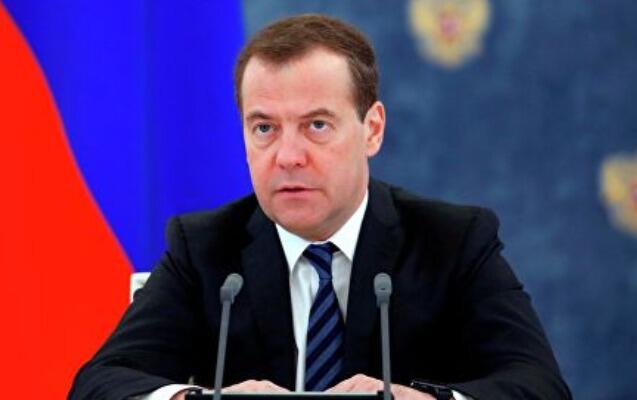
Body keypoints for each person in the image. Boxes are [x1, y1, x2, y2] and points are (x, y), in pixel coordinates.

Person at [69, 14, 572, 400]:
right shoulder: (204, 250)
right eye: (264, 128)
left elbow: (541, 387)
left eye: (316, 125)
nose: (287, 156)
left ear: (372, 129)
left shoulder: (452, 241)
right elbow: (98, 384)